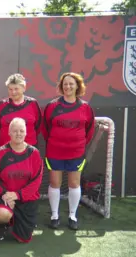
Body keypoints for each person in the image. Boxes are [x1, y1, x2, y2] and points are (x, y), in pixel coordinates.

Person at [43, 72, 95, 230]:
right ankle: (54, 215)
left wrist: (77, 144)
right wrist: (56, 142)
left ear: (78, 86)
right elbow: (45, 129)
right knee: (55, 183)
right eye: (65, 84)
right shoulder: (52, 106)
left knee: (74, 184)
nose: (68, 86)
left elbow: (89, 130)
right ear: (61, 86)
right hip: (55, 151)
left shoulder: (85, 107)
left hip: (76, 153)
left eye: (71, 84)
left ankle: (72, 216)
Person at [0, 118, 43, 243]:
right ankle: (4, 223)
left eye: (21, 131)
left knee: (23, 239)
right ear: (9, 133)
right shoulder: (0, 153)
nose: (18, 134)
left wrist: (18, 195)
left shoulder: (34, 153)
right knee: (1, 214)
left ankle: (16, 220)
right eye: (15, 131)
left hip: (26, 199)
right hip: (6, 197)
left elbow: (36, 182)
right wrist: (5, 194)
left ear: (26, 133)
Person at [0, 74, 42, 147]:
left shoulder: (33, 104)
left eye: (16, 89)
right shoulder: (2, 105)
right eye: (10, 89)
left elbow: (38, 126)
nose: (13, 92)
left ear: (24, 88)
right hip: (5, 151)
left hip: (28, 151)